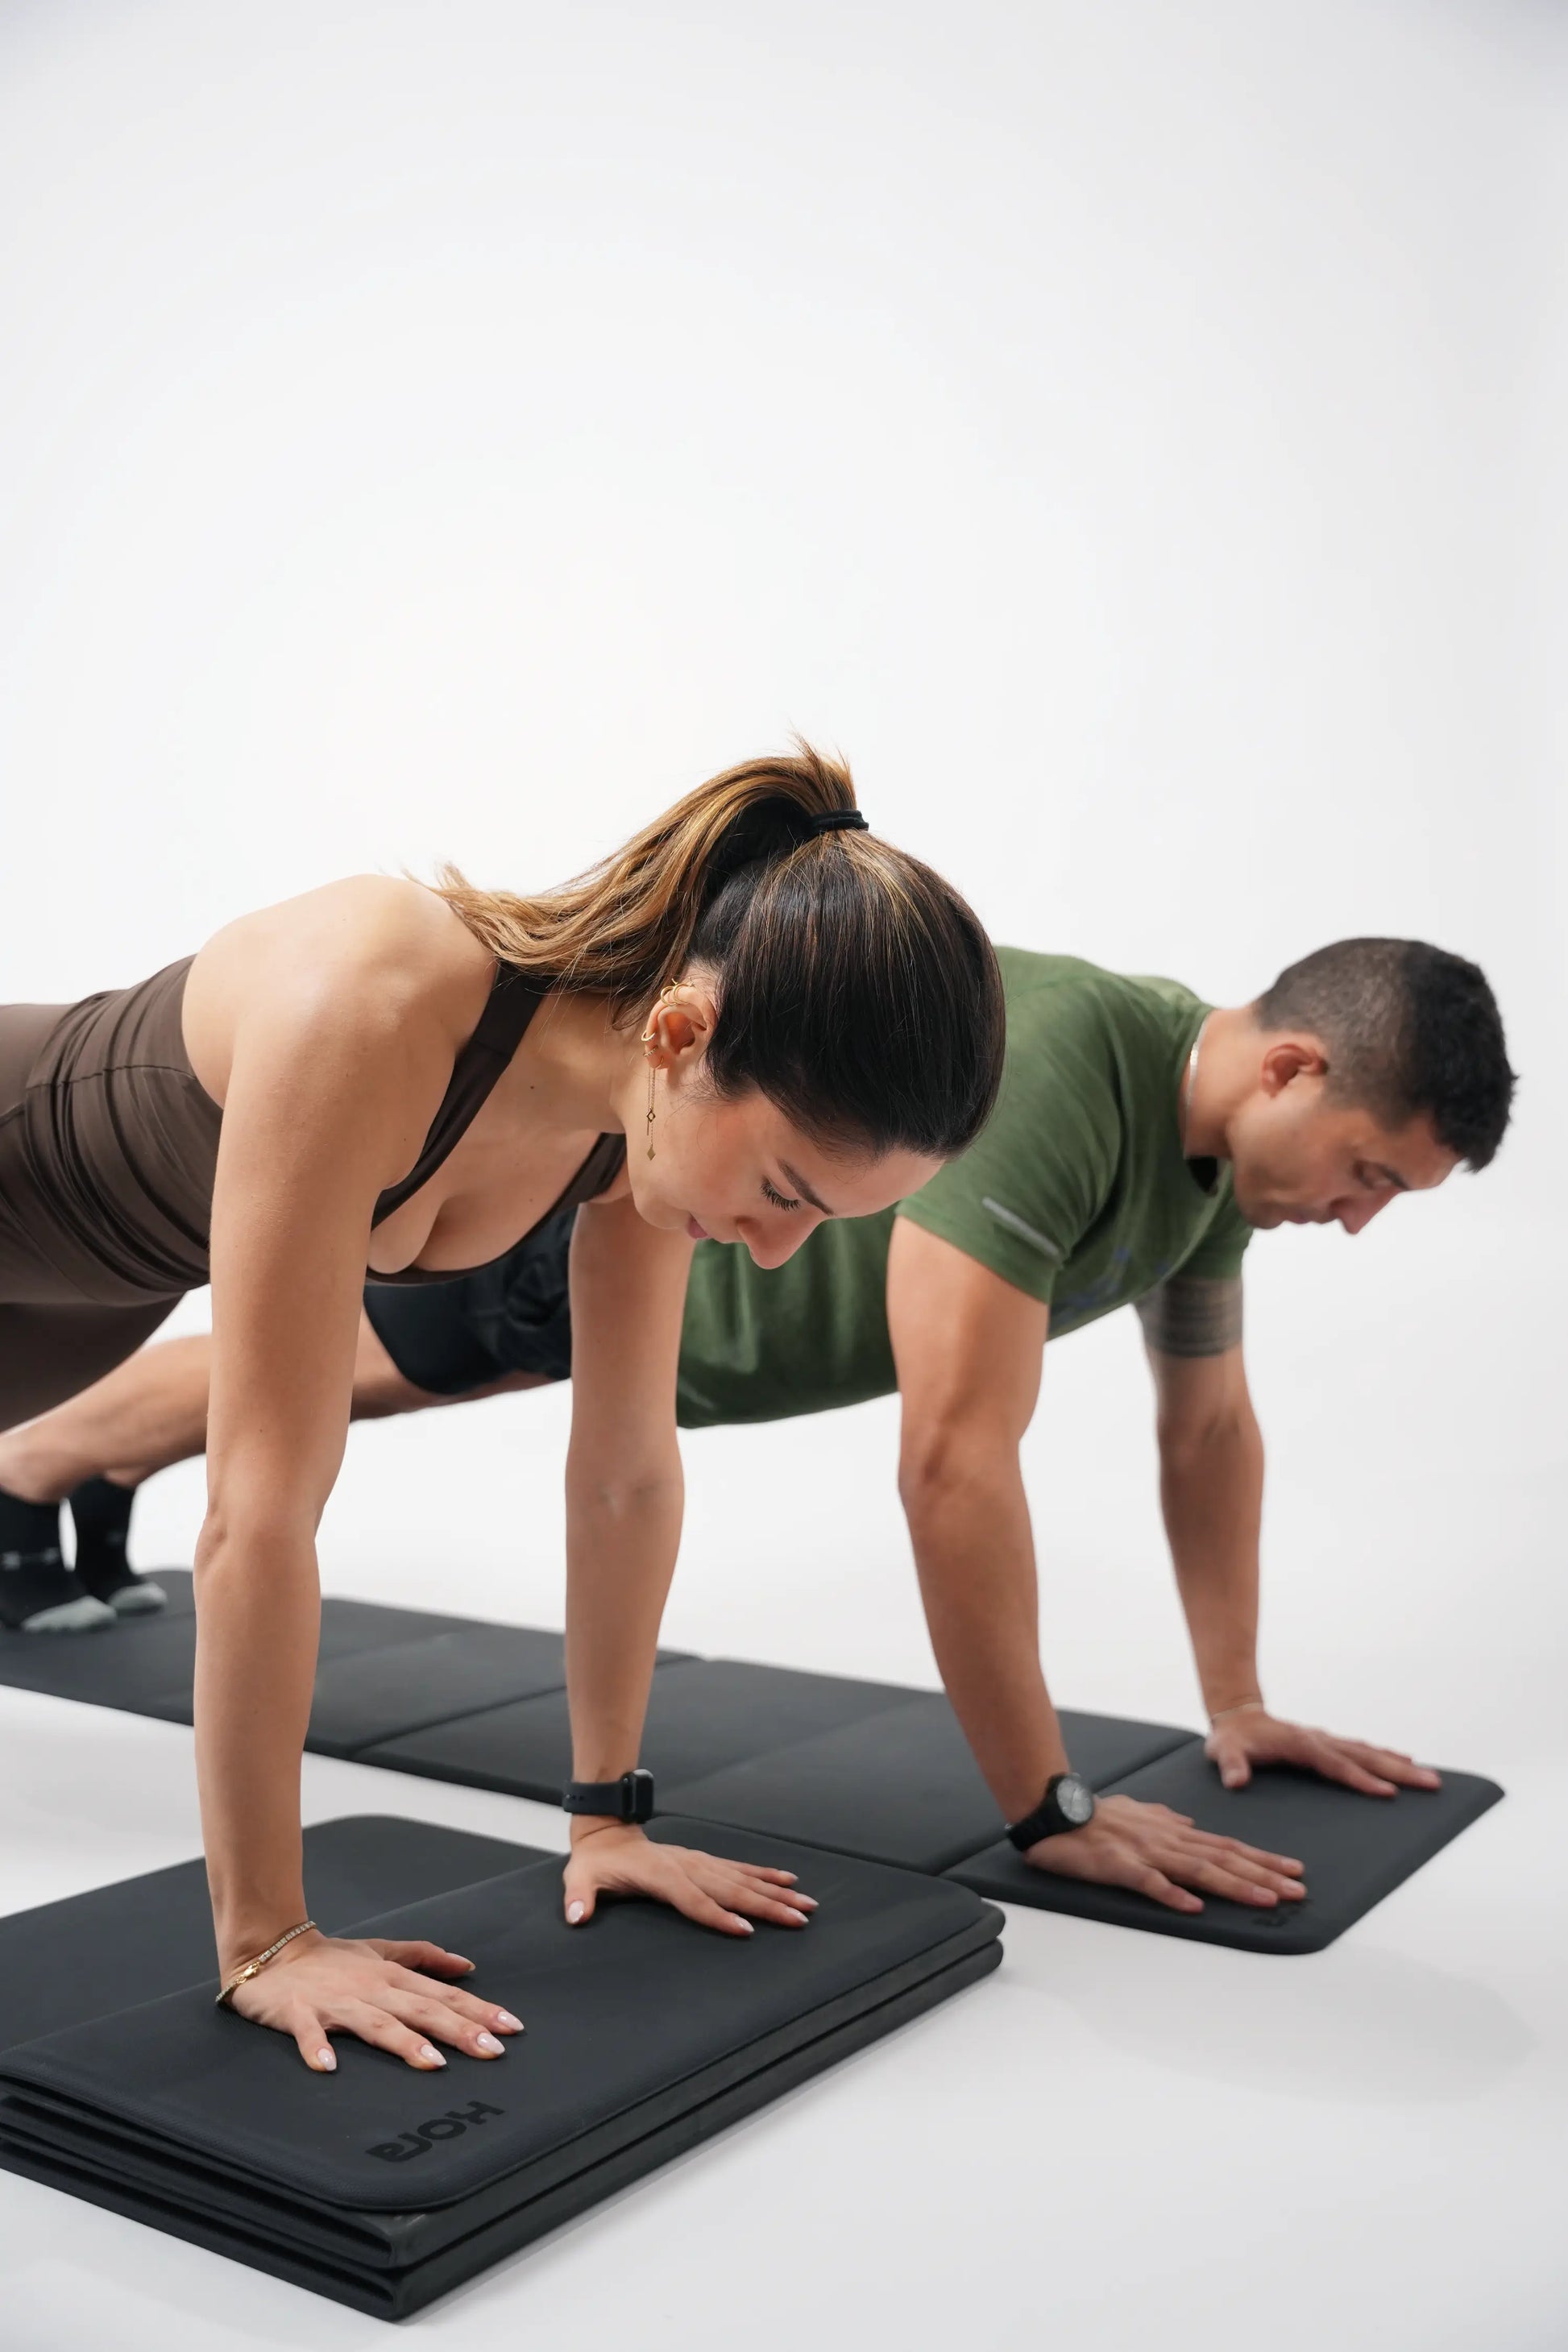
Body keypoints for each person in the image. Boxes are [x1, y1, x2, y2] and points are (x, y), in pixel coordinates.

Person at [4, 937, 1515, 1916]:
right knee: (336, 1368)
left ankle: (56, 1456)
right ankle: (39, 1462)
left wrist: (1235, 1703)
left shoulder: (1211, 1194)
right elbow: (952, 1458)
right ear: (1293, 1070)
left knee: (346, 1367)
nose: (1358, 1217)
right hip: (638, 1221)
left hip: (697, 1291)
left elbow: (1207, 1435)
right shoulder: (1075, 1068)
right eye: (1370, 1172)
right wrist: (1045, 1805)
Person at [0, 747, 1006, 2068]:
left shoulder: (630, 1145)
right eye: (784, 1191)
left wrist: (609, 1821)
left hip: (85, 1293)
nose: (771, 1252)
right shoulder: (375, 991)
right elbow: (259, 1517)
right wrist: (270, 1940)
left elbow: (625, 1473)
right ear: (681, 1036)